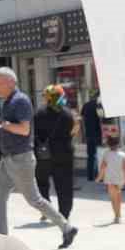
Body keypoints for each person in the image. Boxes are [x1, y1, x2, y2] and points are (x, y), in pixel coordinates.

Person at [0, 68, 77, 249]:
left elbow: (24, 129)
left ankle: (66, 227)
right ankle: (2, 241)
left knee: (34, 199)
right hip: (8, 158)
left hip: (20, 159)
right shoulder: (8, 102)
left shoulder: (20, 101)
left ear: (10, 82)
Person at [34, 84, 77, 222]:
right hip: (64, 154)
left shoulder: (39, 114)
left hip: (44, 155)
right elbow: (73, 132)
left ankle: (46, 212)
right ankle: (64, 214)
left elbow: (34, 134)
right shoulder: (68, 114)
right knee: (64, 185)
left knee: (42, 184)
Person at [98, 135, 125, 224]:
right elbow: (124, 169)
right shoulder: (123, 155)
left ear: (108, 145)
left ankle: (116, 216)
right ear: (118, 144)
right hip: (119, 179)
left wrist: (99, 177)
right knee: (118, 197)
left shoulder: (106, 154)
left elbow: (103, 167)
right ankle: (118, 215)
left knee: (112, 198)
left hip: (110, 179)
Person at [82, 90, 105, 181]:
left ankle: (90, 176)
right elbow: (102, 118)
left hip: (88, 134)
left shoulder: (86, 105)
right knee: (100, 155)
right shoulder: (99, 106)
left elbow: (83, 119)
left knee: (90, 156)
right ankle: (99, 176)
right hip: (97, 134)